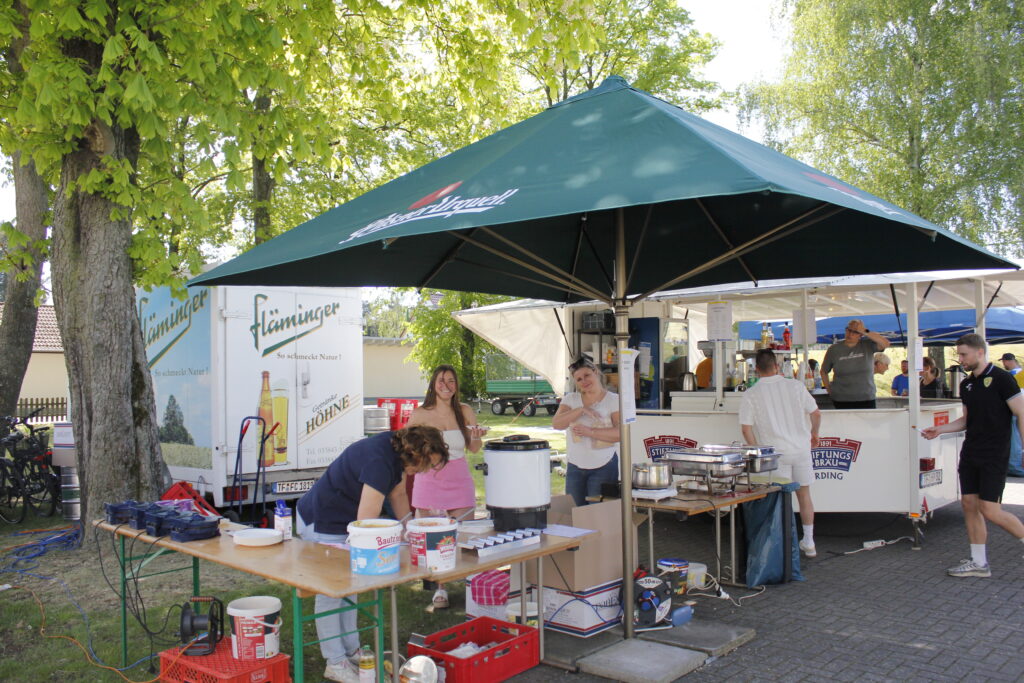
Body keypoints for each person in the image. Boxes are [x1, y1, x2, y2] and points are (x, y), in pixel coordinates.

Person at [296, 427, 449, 682]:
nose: (423, 472)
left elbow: (398, 494)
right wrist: (394, 540)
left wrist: (410, 529)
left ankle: (351, 650)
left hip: (342, 521)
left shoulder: (396, 448)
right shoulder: (379, 462)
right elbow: (366, 523)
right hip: (322, 521)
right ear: (414, 455)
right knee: (331, 592)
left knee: (350, 587)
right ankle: (334, 662)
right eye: (425, 465)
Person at [922, 334, 1024, 578]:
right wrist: (940, 429)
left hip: (994, 454)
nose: (961, 359)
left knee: (990, 510)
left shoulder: (1002, 379)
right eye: (959, 354)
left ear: (980, 352)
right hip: (971, 452)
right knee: (969, 505)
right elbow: (966, 420)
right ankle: (979, 563)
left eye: (964, 354)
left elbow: (1021, 414)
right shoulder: (966, 384)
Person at [408, 365, 488, 609]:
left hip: (459, 479)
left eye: (451, 381)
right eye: (441, 381)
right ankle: (439, 588)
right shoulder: (419, 414)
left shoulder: (464, 411)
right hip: (429, 481)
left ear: (456, 386)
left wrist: (477, 434)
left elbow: (474, 448)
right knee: (433, 538)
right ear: (433, 384)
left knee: (464, 535)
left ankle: (472, 583)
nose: (446, 386)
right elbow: (407, 450)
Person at [740, 349, 822, 557]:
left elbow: (746, 428)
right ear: (777, 366)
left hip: (775, 454)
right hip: (801, 448)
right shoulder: (795, 386)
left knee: (779, 500)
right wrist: (814, 433)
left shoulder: (751, 393)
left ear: (756, 369)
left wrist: (757, 450)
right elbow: (815, 413)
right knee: (804, 495)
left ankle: (783, 544)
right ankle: (809, 542)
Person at [552, 356, 621, 506]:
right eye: (579, 379)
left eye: (587, 375)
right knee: (575, 513)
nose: (584, 381)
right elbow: (557, 424)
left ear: (596, 372)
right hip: (575, 465)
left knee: (598, 515)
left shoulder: (613, 400)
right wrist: (580, 410)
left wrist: (589, 431)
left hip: (604, 464)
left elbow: (620, 433)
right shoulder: (570, 399)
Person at [820, 319, 891, 409]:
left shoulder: (868, 345)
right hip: (841, 399)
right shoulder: (834, 349)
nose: (850, 334)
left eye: (855, 332)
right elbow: (823, 371)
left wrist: (865, 331)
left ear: (861, 335)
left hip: (866, 398)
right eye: (849, 330)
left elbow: (885, 343)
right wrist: (829, 390)